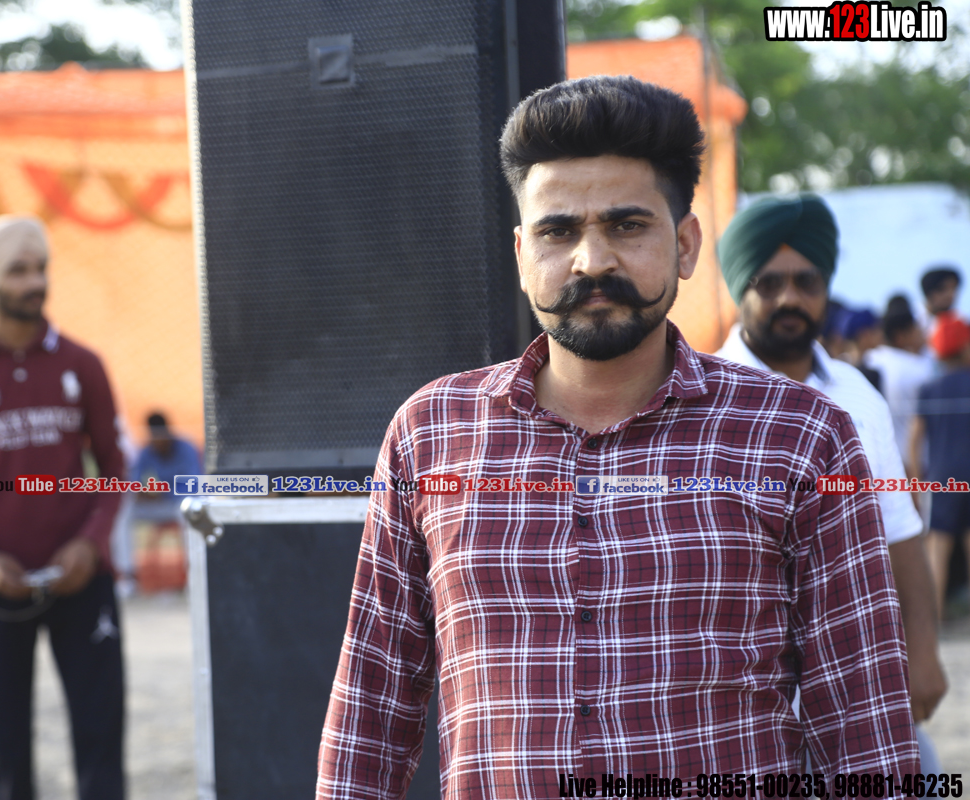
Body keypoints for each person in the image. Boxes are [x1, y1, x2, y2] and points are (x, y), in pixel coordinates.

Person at [316, 77, 918, 797]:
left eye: (627, 226)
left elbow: (864, 720)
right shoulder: (432, 433)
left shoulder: (800, 435)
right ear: (521, 255)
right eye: (558, 231)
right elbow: (373, 705)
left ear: (685, 245)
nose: (592, 260)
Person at [714, 194, 945, 765]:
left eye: (806, 281)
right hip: (741, 706)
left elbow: (900, 531)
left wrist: (922, 651)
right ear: (740, 288)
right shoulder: (704, 401)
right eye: (769, 283)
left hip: (859, 684)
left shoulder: (857, 394)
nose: (789, 298)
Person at [0, 215, 127, 800]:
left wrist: (90, 544)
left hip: (81, 579)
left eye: (40, 268)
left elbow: (114, 470)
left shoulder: (81, 363)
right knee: (0, 754)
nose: (35, 282)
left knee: (101, 740)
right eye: (18, 271)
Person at [911, 313, 970, 621]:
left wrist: (916, 481)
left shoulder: (930, 388)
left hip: (942, 478)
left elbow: (915, 439)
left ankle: (933, 624)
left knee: (938, 549)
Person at [112, 412, 201, 593]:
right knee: (123, 510)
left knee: (189, 509)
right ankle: (128, 577)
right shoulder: (147, 451)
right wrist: (142, 492)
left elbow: (194, 485)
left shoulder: (186, 448)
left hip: (179, 505)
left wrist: (162, 492)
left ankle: (196, 574)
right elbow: (133, 483)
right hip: (158, 506)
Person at [865, 308, 937, 463]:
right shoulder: (921, 369)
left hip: (881, 459)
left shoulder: (870, 360)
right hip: (918, 461)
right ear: (900, 336)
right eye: (915, 328)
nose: (921, 332)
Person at [919, 265, 961, 335]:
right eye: (943, 289)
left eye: (953, 289)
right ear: (929, 293)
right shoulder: (913, 318)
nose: (950, 295)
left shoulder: (959, 321)